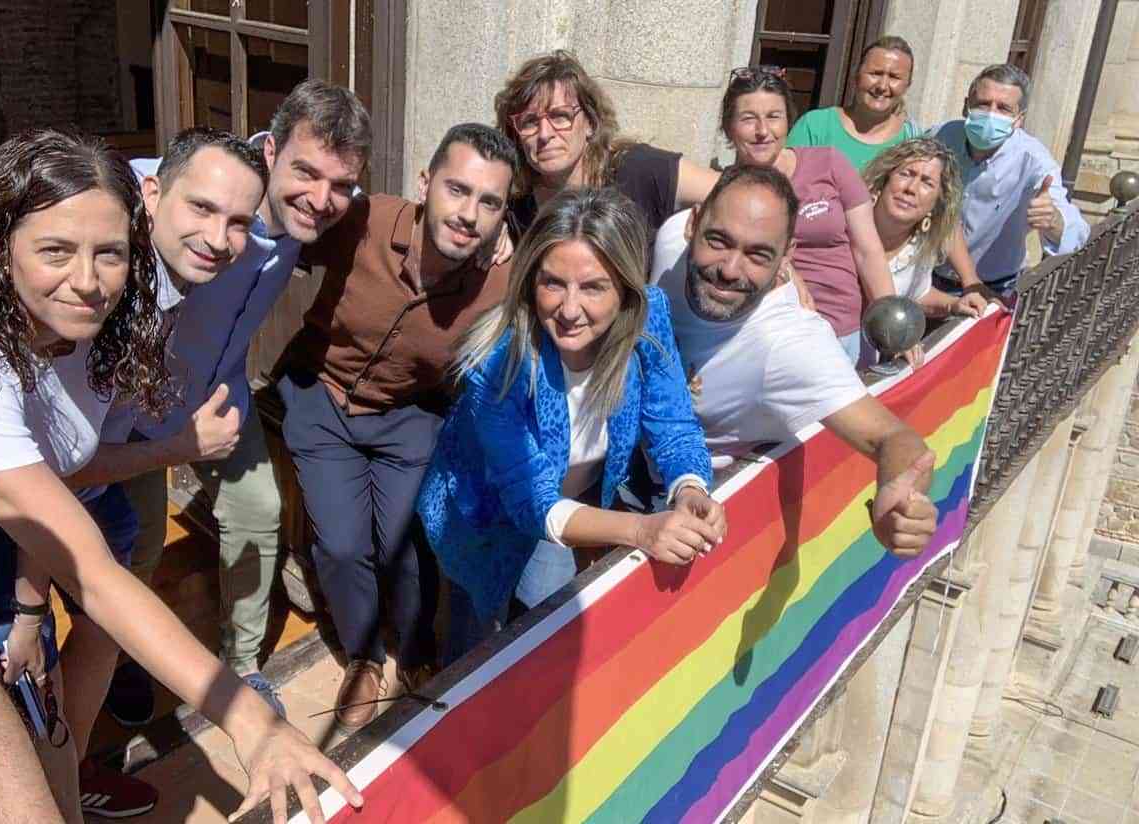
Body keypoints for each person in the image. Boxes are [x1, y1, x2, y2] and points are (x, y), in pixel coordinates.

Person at [0, 129, 362, 824]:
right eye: (54, 250)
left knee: (46, 766)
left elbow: (53, 502)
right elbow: (95, 572)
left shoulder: (100, 328)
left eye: (108, 253)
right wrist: (249, 719)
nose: (87, 279)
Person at [69, 81, 372, 755]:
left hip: (220, 393)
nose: (321, 198)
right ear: (270, 150)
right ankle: (114, 657)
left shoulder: (311, 222)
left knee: (260, 509)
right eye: (305, 173)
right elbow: (138, 191)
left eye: (341, 184)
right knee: (134, 550)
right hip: (134, 417)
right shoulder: (174, 207)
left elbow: (394, 221)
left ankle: (245, 667)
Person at [276, 123, 517, 733]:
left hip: (410, 409)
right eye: (457, 190)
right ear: (424, 183)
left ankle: (414, 650)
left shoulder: (500, 279)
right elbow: (278, 227)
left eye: (489, 203)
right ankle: (364, 653)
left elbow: (582, 286)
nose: (469, 214)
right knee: (342, 544)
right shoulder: (362, 222)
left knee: (406, 541)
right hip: (321, 395)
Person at [417, 187, 725, 663]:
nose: (569, 308)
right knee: (472, 641)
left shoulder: (649, 316)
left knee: (548, 624)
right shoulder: (497, 363)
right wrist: (643, 531)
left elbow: (673, 423)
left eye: (594, 287)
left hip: (569, 506)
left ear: (626, 289)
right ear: (528, 280)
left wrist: (689, 490)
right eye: (553, 283)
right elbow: (531, 502)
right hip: (480, 518)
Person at [651, 163, 938, 556]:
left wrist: (901, 497)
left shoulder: (789, 345)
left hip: (686, 506)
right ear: (693, 224)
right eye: (718, 241)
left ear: (786, 256)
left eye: (758, 255)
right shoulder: (670, 243)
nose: (729, 270)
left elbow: (892, 437)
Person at [720, 66, 897, 364]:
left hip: (845, 330)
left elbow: (868, 250)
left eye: (774, 116)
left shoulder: (828, 163)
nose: (763, 131)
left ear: (789, 121)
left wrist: (892, 328)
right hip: (776, 337)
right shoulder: (724, 190)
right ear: (729, 128)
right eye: (748, 118)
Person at [495, 49, 719, 242]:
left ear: (591, 123)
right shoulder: (515, 203)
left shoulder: (641, 170)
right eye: (530, 122)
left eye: (560, 117)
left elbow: (738, 195)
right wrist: (495, 234)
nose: (544, 134)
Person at [930, 64, 1090, 296]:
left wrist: (1053, 219)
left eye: (1004, 108)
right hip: (928, 280)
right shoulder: (941, 136)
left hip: (993, 289)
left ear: (1018, 119)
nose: (991, 114)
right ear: (966, 106)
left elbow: (1077, 232)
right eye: (983, 104)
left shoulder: (1034, 161)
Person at [863, 138, 987, 319]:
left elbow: (918, 295)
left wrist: (953, 304)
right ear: (884, 179)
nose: (911, 188)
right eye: (905, 174)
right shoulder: (847, 226)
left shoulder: (922, 244)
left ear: (937, 203)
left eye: (927, 183)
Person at [787, 36, 921, 172]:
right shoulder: (816, 126)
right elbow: (783, 185)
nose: (882, 86)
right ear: (856, 76)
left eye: (894, 77)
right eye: (875, 73)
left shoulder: (913, 142)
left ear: (907, 85)